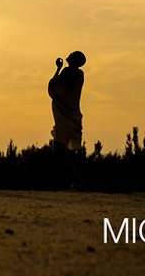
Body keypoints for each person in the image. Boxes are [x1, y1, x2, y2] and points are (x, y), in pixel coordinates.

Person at [49, 51, 86, 189]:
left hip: (65, 118)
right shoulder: (80, 75)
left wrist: (58, 68)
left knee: (58, 149)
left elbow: (54, 86)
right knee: (70, 151)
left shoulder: (66, 72)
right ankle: (78, 179)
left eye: (72, 55)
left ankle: (60, 181)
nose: (68, 55)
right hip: (73, 116)